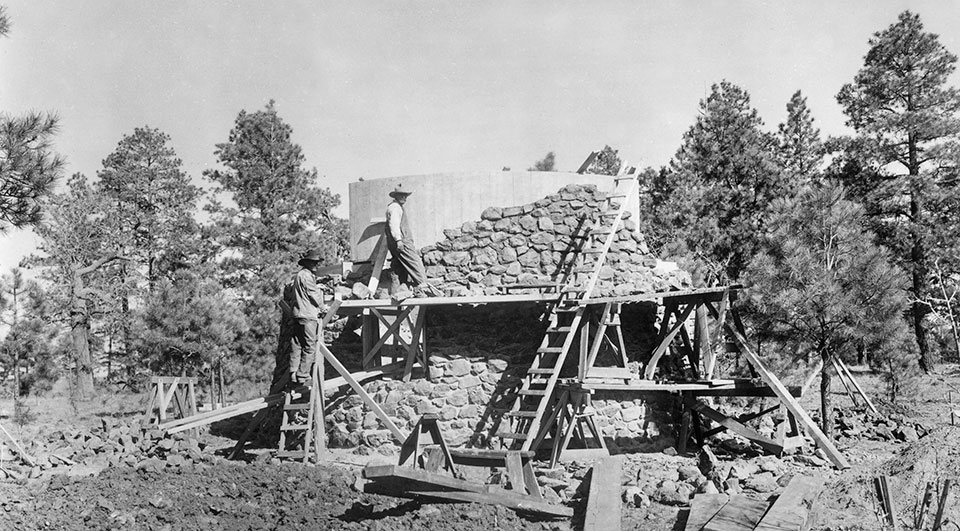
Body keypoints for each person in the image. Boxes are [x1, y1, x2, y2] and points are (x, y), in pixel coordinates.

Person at [385, 184, 440, 296]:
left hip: (398, 242)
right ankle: (426, 290)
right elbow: (394, 225)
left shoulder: (395, 207)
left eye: (405, 196)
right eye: (401, 195)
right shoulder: (395, 208)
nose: (404, 198)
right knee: (416, 264)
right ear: (396, 196)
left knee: (399, 269)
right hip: (401, 242)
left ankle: (399, 293)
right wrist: (398, 240)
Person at [286, 249, 329, 386]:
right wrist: (323, 307)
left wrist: (318, 284)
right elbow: (313, 294)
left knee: (297, 344)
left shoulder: (299, 275)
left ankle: (293, 372)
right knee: (310, 346)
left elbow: (305, 289)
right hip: (307, 315)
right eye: (314, 262)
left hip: (297, 314)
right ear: (308, 263)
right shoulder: (307, 276)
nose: (317, 265)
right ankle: (303, 375)